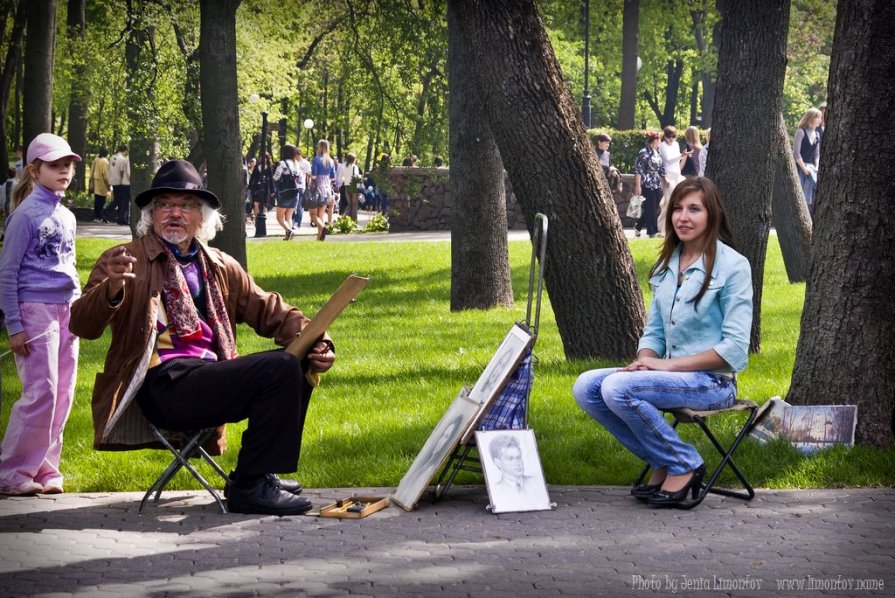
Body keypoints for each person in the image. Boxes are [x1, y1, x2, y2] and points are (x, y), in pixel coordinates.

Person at [68, 160, 336, 516]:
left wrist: (318, 341)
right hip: (163, 384)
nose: (174, 213)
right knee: (280, 368)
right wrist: (112, 289)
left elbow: (272, 310)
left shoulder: (219, 264)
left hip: (209, 378)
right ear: (151, 214)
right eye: (164, 204)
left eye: (186, 205)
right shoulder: (126, 260)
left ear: (202, 216)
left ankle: (258, 473)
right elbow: (82, 325)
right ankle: (250, 487)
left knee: (296, 358)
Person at [573, 176, 752, 508]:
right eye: (677, 209)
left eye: (694, 209)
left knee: (617, 389)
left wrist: (665, 366)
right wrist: (645, 359)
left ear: (712, 215)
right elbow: (653, 332)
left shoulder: (733, 266)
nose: (683, 217)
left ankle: (683, 462)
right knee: (587, 386)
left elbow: (735, 348)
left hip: (712, 382)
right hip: (670, 377)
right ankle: (664, 458)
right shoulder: (666, 264)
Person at [0, 133, 82, 496]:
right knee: (42, 391)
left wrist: (78, 309)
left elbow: (71, 264)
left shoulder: (66, 215)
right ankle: (12, 472)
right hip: (34, 312)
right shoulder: (24, 216)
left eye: (68, 165)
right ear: (34, 171)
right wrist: (14, 327)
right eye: (55, 165)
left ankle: (46, 468)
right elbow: (7, 274)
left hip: (67, 312)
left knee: (63, 392)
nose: (64, 170)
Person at [658, 126, 690, 236]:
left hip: (677, 174)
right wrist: (682, 155)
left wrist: (682, 158)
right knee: (669, 201)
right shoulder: (662, 146)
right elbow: (668, 160)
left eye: (673, 137)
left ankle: (672, 227)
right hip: (668, 176)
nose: (671, 139)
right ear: (665, 136)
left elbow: (676, 162)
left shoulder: (675, 144)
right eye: (669, 137)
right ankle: (662, 227)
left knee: (679, 201)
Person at [632, 131, 665, 238]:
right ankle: (652, 232)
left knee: (654, 207)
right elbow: (638, 170)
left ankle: (638, 226)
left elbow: (660, 168)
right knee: (650, 208)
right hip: (647, 183)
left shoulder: (657, 152)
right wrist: (638, 186)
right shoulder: (643, 153)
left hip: (656, 183)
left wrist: (665, 180)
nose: (660, 142)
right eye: (659, 140)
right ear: (655, 141)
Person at [794, 107, 822, 217]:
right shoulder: (800, 132)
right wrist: (804, 168)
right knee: (800, 196)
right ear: (811, 118)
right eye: (818, 117)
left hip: (811, 169)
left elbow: (816, 155)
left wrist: (816, 166)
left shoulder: (817, 135)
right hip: (800, 168)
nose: (820, 120)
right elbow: (796, 153)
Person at [307, 139, 336, 241]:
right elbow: (333, 177)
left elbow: (314, 176)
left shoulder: (316, 159)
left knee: (313, 214)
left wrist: (309, 175)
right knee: (321, 215)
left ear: (319, 147)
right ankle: (319, 237)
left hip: (316, 188)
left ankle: (322, 228)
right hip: (327, 189)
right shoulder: (331, 161)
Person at [272, 144, 302, 240]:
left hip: (284, 193)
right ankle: (288, 236)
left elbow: (276, 177)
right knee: (288, 217)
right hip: (295, 192)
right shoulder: (296, 163)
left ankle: (289, 231)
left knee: (280, 217)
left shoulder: (282, 163)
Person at [249, 153, 275, 236]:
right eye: (262, 158)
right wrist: (250, 186)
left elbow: (271, 179)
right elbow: (253, 177)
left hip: (265, 189)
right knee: (256, 204)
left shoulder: (269, 168)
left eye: (266, 158)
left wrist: (272, 190)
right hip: (257, 188)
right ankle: (257, 220)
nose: (264, 160)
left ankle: (260, 220)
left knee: (263, 205)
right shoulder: (257, 167)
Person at [108, 144, 131, 225]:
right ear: (125, 151)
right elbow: (122, 171)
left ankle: (116, 216)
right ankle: (108, 213)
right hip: (120, 181)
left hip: (113, 180)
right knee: (121, 201)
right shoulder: (122, 159)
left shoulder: (112, 157)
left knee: (119, 200)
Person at [336, 152, 361, 221]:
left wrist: (345, 180)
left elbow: (340, 178)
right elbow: (357, 177)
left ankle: (346, 217)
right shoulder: (355, 167)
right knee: (354, 204)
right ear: (354, 159)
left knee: (349, 203)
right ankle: (354, 220)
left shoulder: (344, 167)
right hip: (354, 186)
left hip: (346, 186)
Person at [90, 149, 111, 222]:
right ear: (106, 154)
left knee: (97, 200)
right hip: (102, 183)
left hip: (96, 181)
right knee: (101, 201)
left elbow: (92, 171)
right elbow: (105, 175)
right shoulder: (105, 161)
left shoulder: (96, 160)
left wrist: (91, 180)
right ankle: (99, 217)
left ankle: (96, 216)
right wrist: (108, 185)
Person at [292, 148, 311, 229]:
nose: (296, 156)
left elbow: (308, 175)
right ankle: (292, 221)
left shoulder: (305, 163)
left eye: (297, 155)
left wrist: (309, 186)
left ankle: (297, 223)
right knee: (292, 205)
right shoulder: (291, 162)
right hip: (292, 186)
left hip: (301, 186)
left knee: (300, 206)